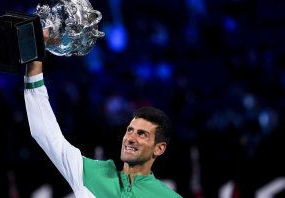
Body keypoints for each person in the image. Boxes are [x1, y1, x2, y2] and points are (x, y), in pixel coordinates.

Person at [24, 60, 182, 198]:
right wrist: (34, 60)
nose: (130, 138)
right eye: (130, 130)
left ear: (159, 149)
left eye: (142, 134)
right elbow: (44, 132)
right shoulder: (92, 174)